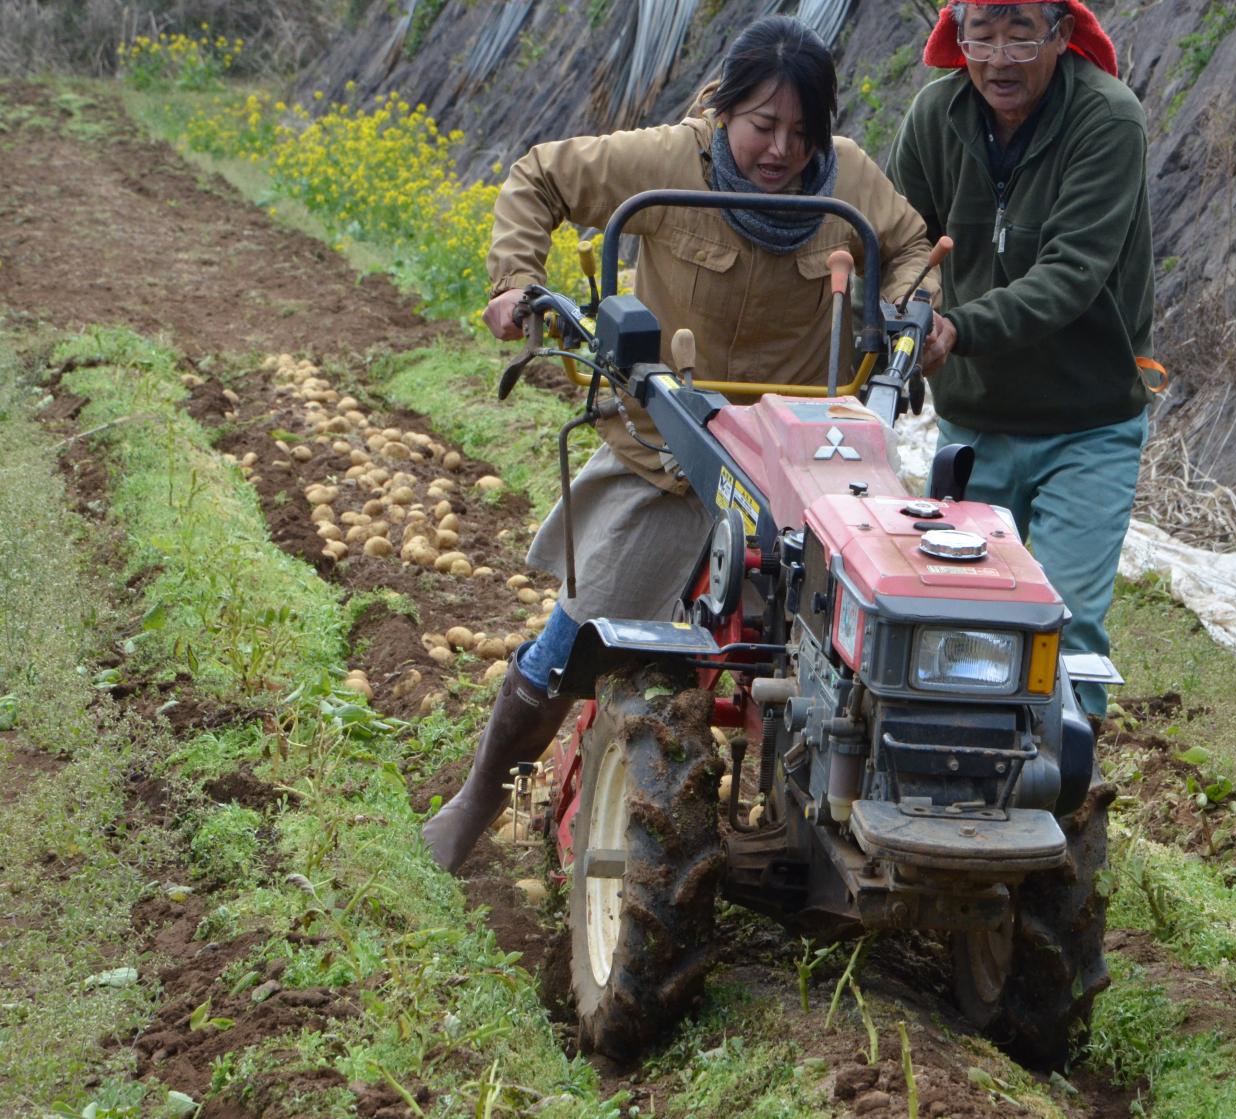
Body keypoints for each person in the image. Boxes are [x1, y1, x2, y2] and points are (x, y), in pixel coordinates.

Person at [423, 16, 936, 872]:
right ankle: (478, 797)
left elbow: (914, 246)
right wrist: (516, 282)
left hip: (798, 470)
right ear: (726, 110)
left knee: (867, 644)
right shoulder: (669, 160)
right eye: (762, 126)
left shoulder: (850, 180)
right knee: (580, 635)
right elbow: (538, 176)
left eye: (800, 133)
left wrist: (917, 310)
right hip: (669, 455)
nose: (780, 150)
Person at [888, 0, 1155, 717]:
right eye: (984, 34)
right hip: (974, 419)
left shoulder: (1107, 119)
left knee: (1065, 629)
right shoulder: (935, 117)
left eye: (1020, 35)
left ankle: (1060, 800)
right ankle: (951, 787)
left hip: (1088, 421)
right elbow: (904, 242)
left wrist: (957, 330)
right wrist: (903, 313)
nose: (999, 58)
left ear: (1062, 35)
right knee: (955, 621)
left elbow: (1072, 272)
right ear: (959, 36)